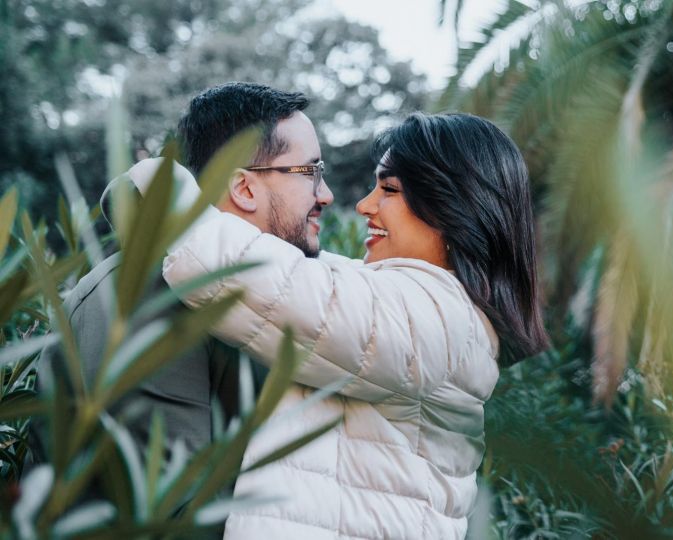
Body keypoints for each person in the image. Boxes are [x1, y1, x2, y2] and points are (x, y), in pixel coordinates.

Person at [135, 112, 550, 538]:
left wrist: (159, 187)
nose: (364, 205)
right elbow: (300, 270)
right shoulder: (413, 305)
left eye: (389, 189)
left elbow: (278, 286)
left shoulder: (439, 317)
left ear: (452, 206)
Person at [32, 82, 334, 490]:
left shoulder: (254, 292)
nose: (326, 194)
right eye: (310, 172)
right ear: (244, 188)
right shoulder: (144, 294)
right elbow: (163, 509)